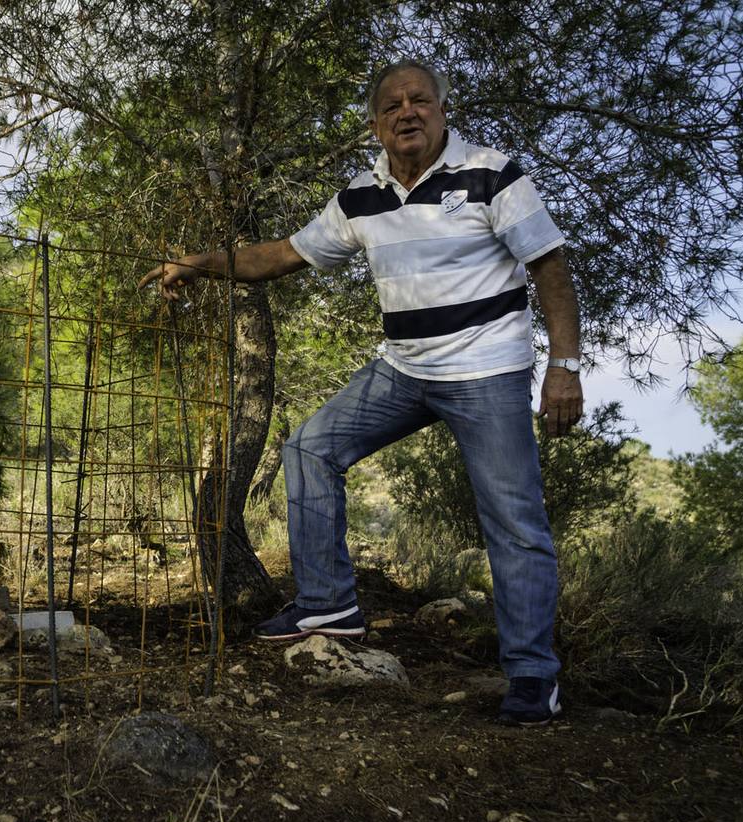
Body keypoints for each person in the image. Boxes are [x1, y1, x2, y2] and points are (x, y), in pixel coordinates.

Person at [137, 60, 582, 727]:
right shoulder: (359, 198)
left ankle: (531, 679)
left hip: (487, 370)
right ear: (376, 124)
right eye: (393, 105)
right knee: (311, 448)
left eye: (421, 101)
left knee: (514, 523)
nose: (408, 112)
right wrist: (198, 264)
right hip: (404, 369)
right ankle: (328, 604)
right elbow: (280, 256)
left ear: (441, 111)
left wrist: (564, 365)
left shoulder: (492, 173)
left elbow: (549, 267)